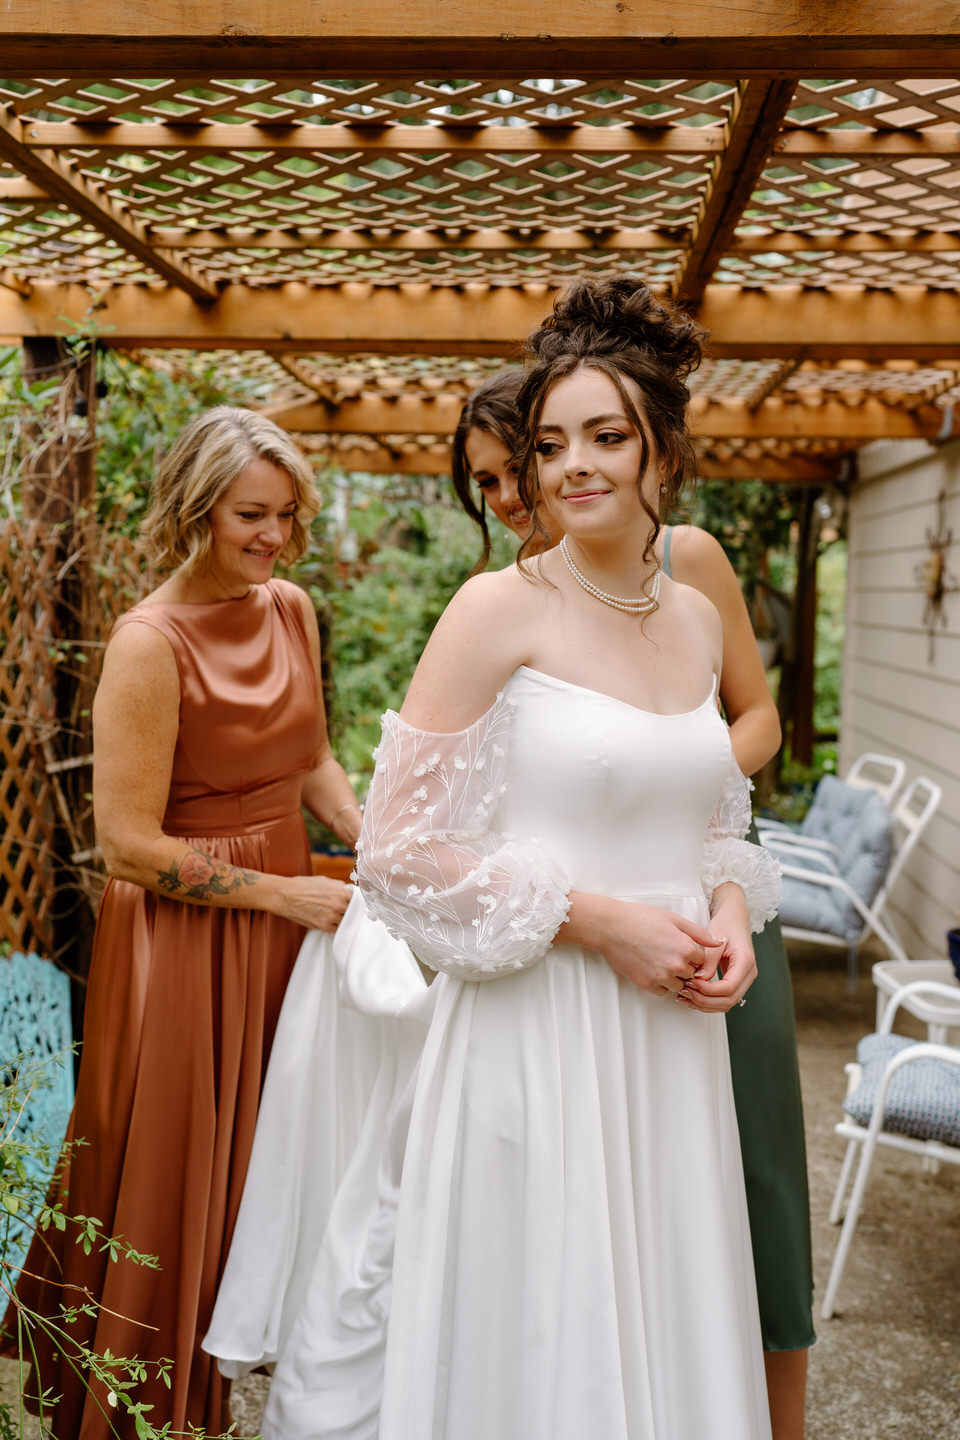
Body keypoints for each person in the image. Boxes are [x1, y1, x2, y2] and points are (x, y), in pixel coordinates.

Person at [211, 278, 782, 1438]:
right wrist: (599, 920)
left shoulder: (696, 617)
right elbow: (404, 857)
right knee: (545, 1332)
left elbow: (717, 803)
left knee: (671, 1310)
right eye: (551, 442)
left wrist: (727, 907)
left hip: (672, 1035)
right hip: (544, 1025)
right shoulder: (493, 609)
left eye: (607, 439)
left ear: (661, 448)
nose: (574, 467)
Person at [451, 362, 815, 1439]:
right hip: (575, 933)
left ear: (644, 449)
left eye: (521, 464)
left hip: (709, 902)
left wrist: (682, 773)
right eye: (497, 481)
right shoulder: (506, 602)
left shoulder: (686, 567)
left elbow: (755, 722)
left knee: (753, 1196)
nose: (519, 494)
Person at [7, 407, 357, 1439]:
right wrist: (278, 895)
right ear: (195, 509)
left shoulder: (288, 607)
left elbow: (309, 756)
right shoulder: (148, 643)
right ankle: (143, 1413)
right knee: (175, 1177)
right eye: (254, 515)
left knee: (265, 1162)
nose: (276, 539)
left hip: (284, 915)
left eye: (288, 517)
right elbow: (127, 845)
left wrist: (362, 827)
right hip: (185, 937)